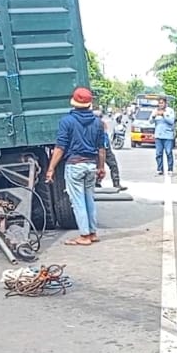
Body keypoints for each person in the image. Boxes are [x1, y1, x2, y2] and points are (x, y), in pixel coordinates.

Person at [45, 87, 106, 246]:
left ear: (74, 103)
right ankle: (92, 233)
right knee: (89, 199)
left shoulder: (67, 121)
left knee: (78, 201)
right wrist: (101, 168)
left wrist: (51, 168)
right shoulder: (98, 123)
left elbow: (60, 147)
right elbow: (101, 149)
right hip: (91, 165)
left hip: (74, 165)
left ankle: (84, 236)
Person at [93, 105, 127, 191]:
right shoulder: (94, 126)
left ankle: (116, 183)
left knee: (113, 165)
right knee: (97, 167)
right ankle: (97, 182)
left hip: (106, 148)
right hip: (98, 149)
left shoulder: (102, 125)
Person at [152, 97, 176, 176]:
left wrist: (163, 115)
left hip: (168, 136)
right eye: (159, 103)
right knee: (158, 153)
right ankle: (159, 169)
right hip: (158, 136)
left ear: (165, 103)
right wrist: (154, 116)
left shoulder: (170, 111)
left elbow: (171, 121)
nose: (160, 104)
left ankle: (170, 169)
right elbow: (150, 121)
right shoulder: (155, 110)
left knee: (168, 152)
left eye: (162, 103)